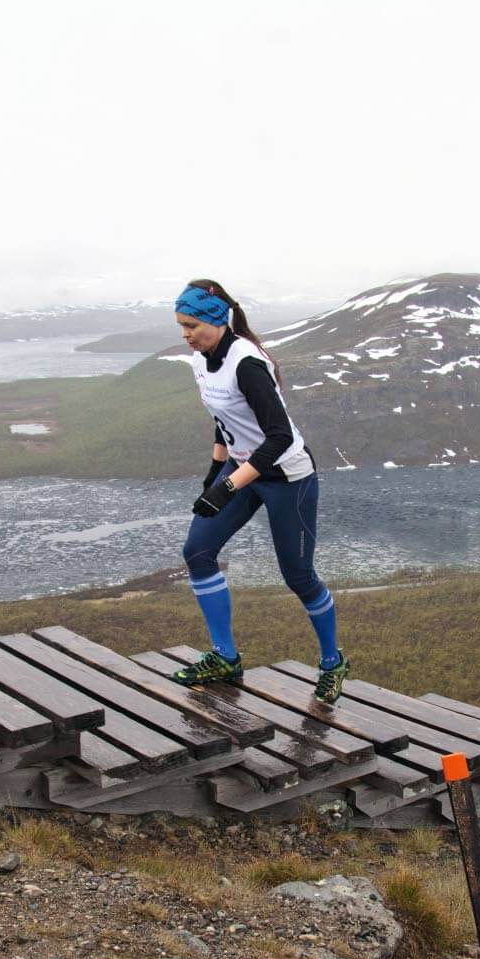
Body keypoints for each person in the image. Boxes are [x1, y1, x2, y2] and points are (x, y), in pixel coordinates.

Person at [170, 278, 349, 704]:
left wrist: (227, 485)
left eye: (192, 325)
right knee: (197, 551)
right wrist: (215, 469)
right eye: (181, 326)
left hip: (287, 477)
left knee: (298, 577)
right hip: (241, 467)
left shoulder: (247, 363)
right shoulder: (201, 360)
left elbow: (280, 438)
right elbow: (223, 416)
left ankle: (332, 662)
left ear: (216, 319)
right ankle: (225, 657)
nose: (186, 334)